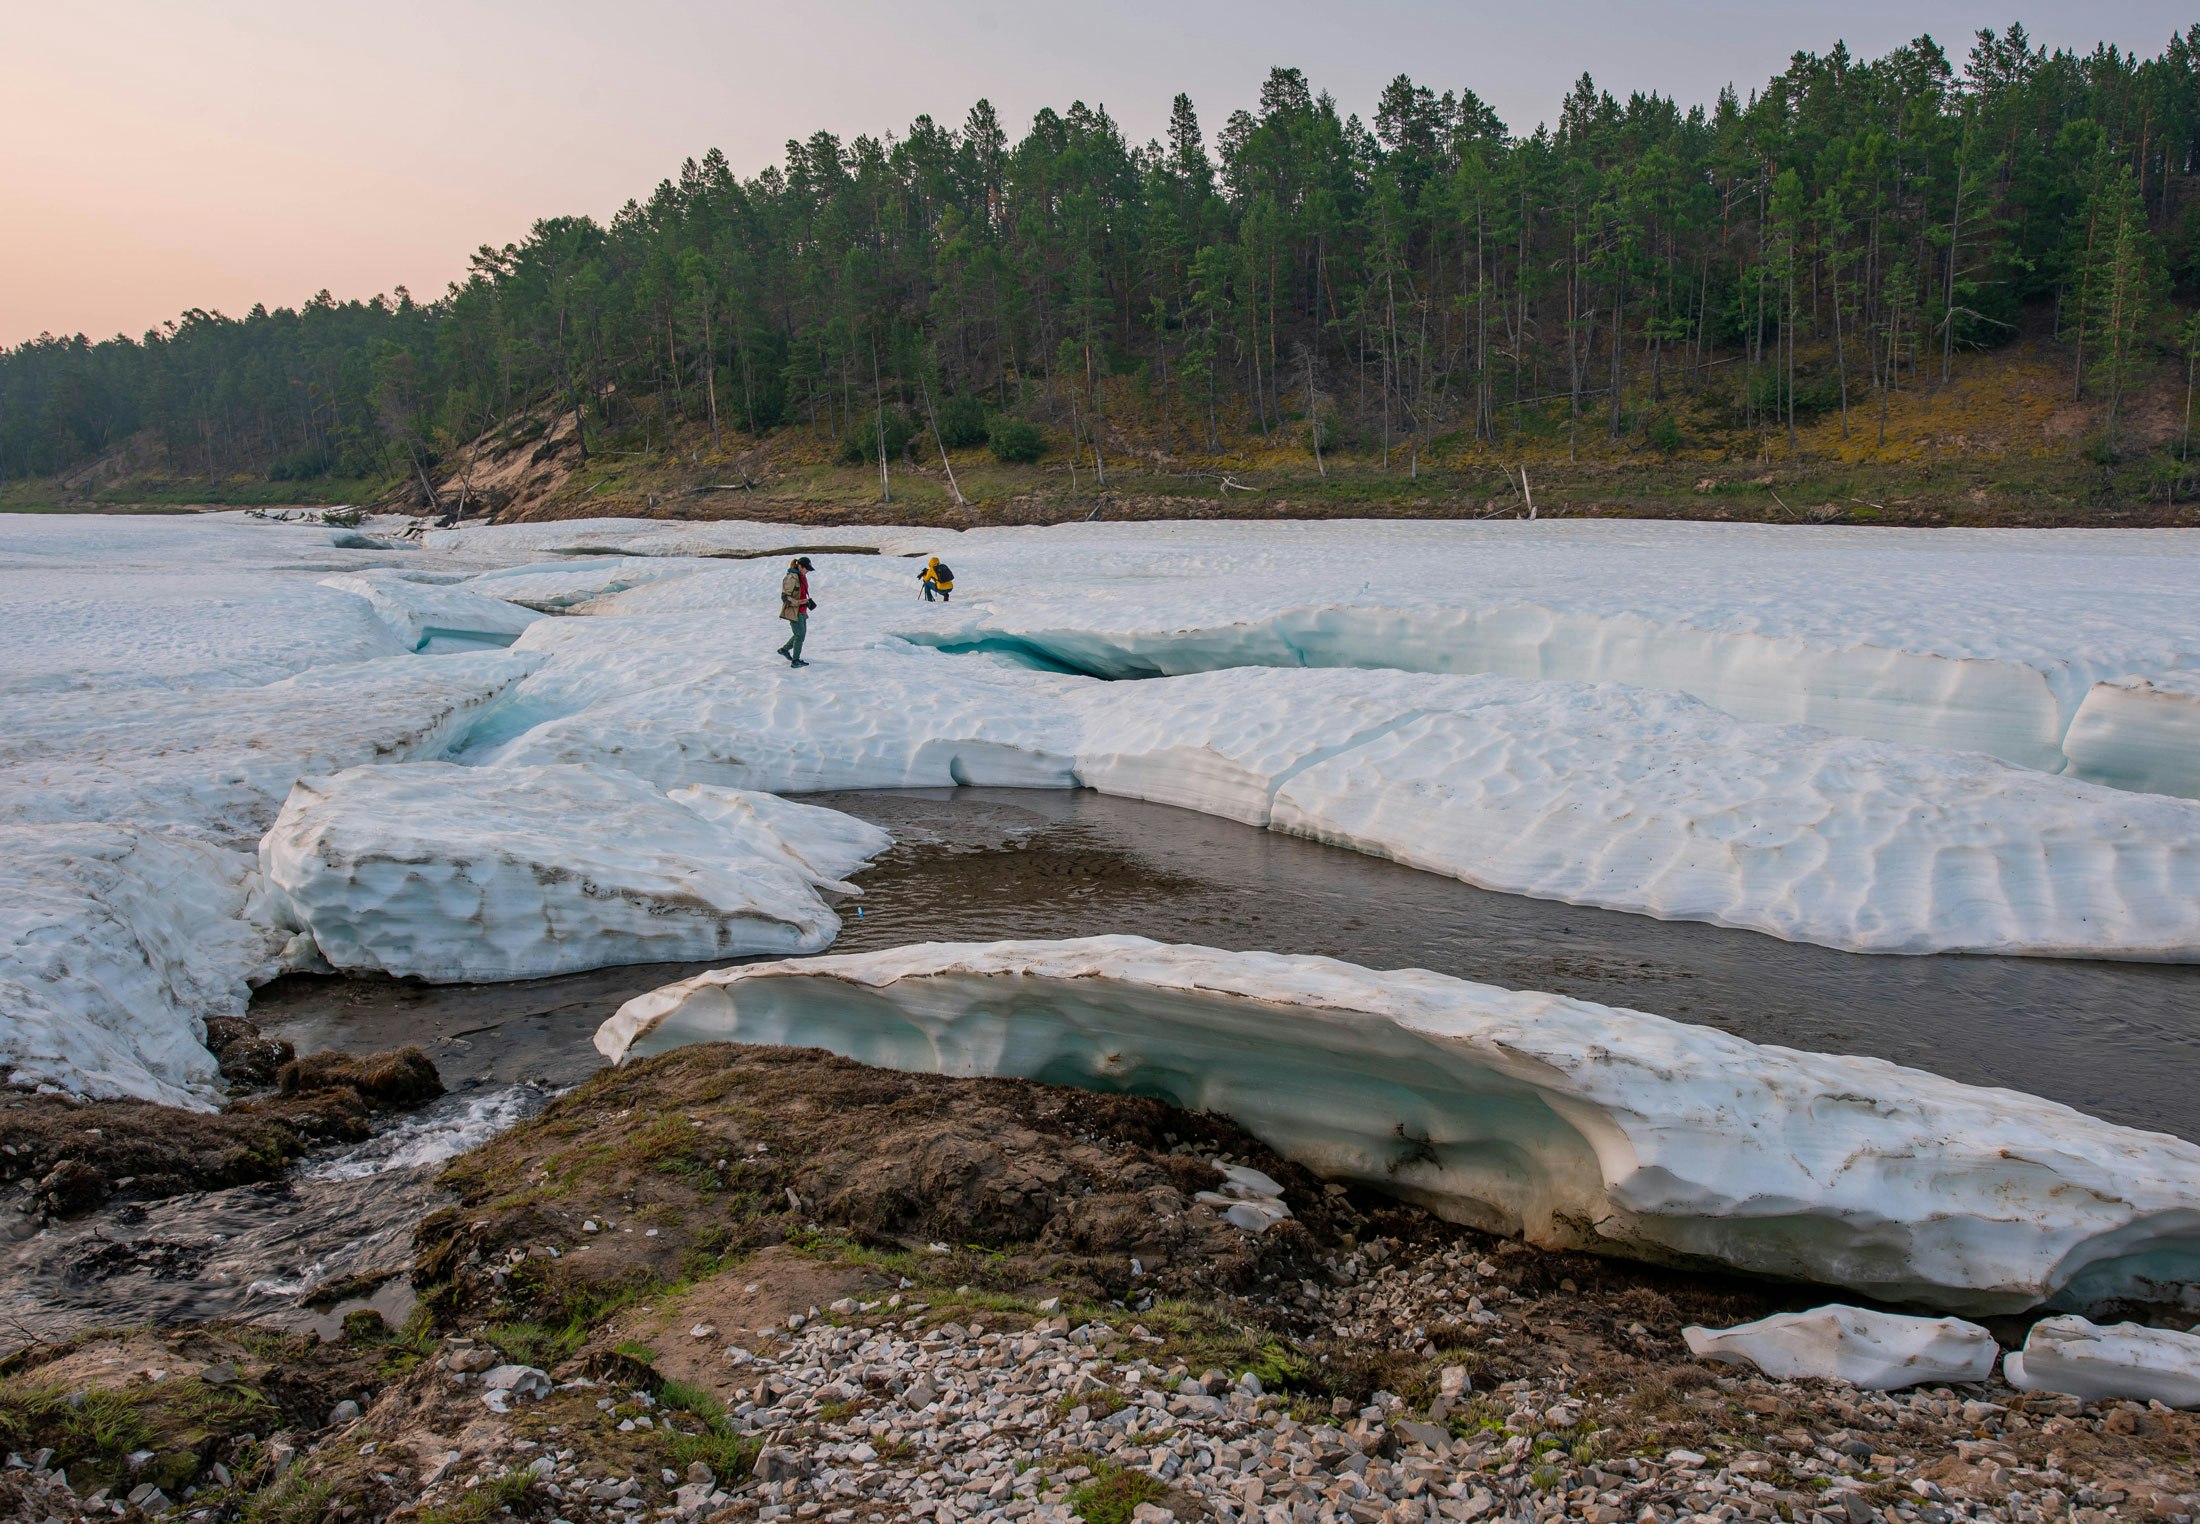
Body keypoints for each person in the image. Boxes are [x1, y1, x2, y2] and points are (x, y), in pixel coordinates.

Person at [776, 556, 816, 666]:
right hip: (794, 611)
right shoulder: (791, 578)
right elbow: (785, 597)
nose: (807, 571)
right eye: (806, 568)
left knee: (801, 634)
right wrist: (799, 602)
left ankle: (784, 650)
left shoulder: (802, 577)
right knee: (799, 635)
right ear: (800, 566)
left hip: (802, 610)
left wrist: (806, 603)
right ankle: (795, 661)